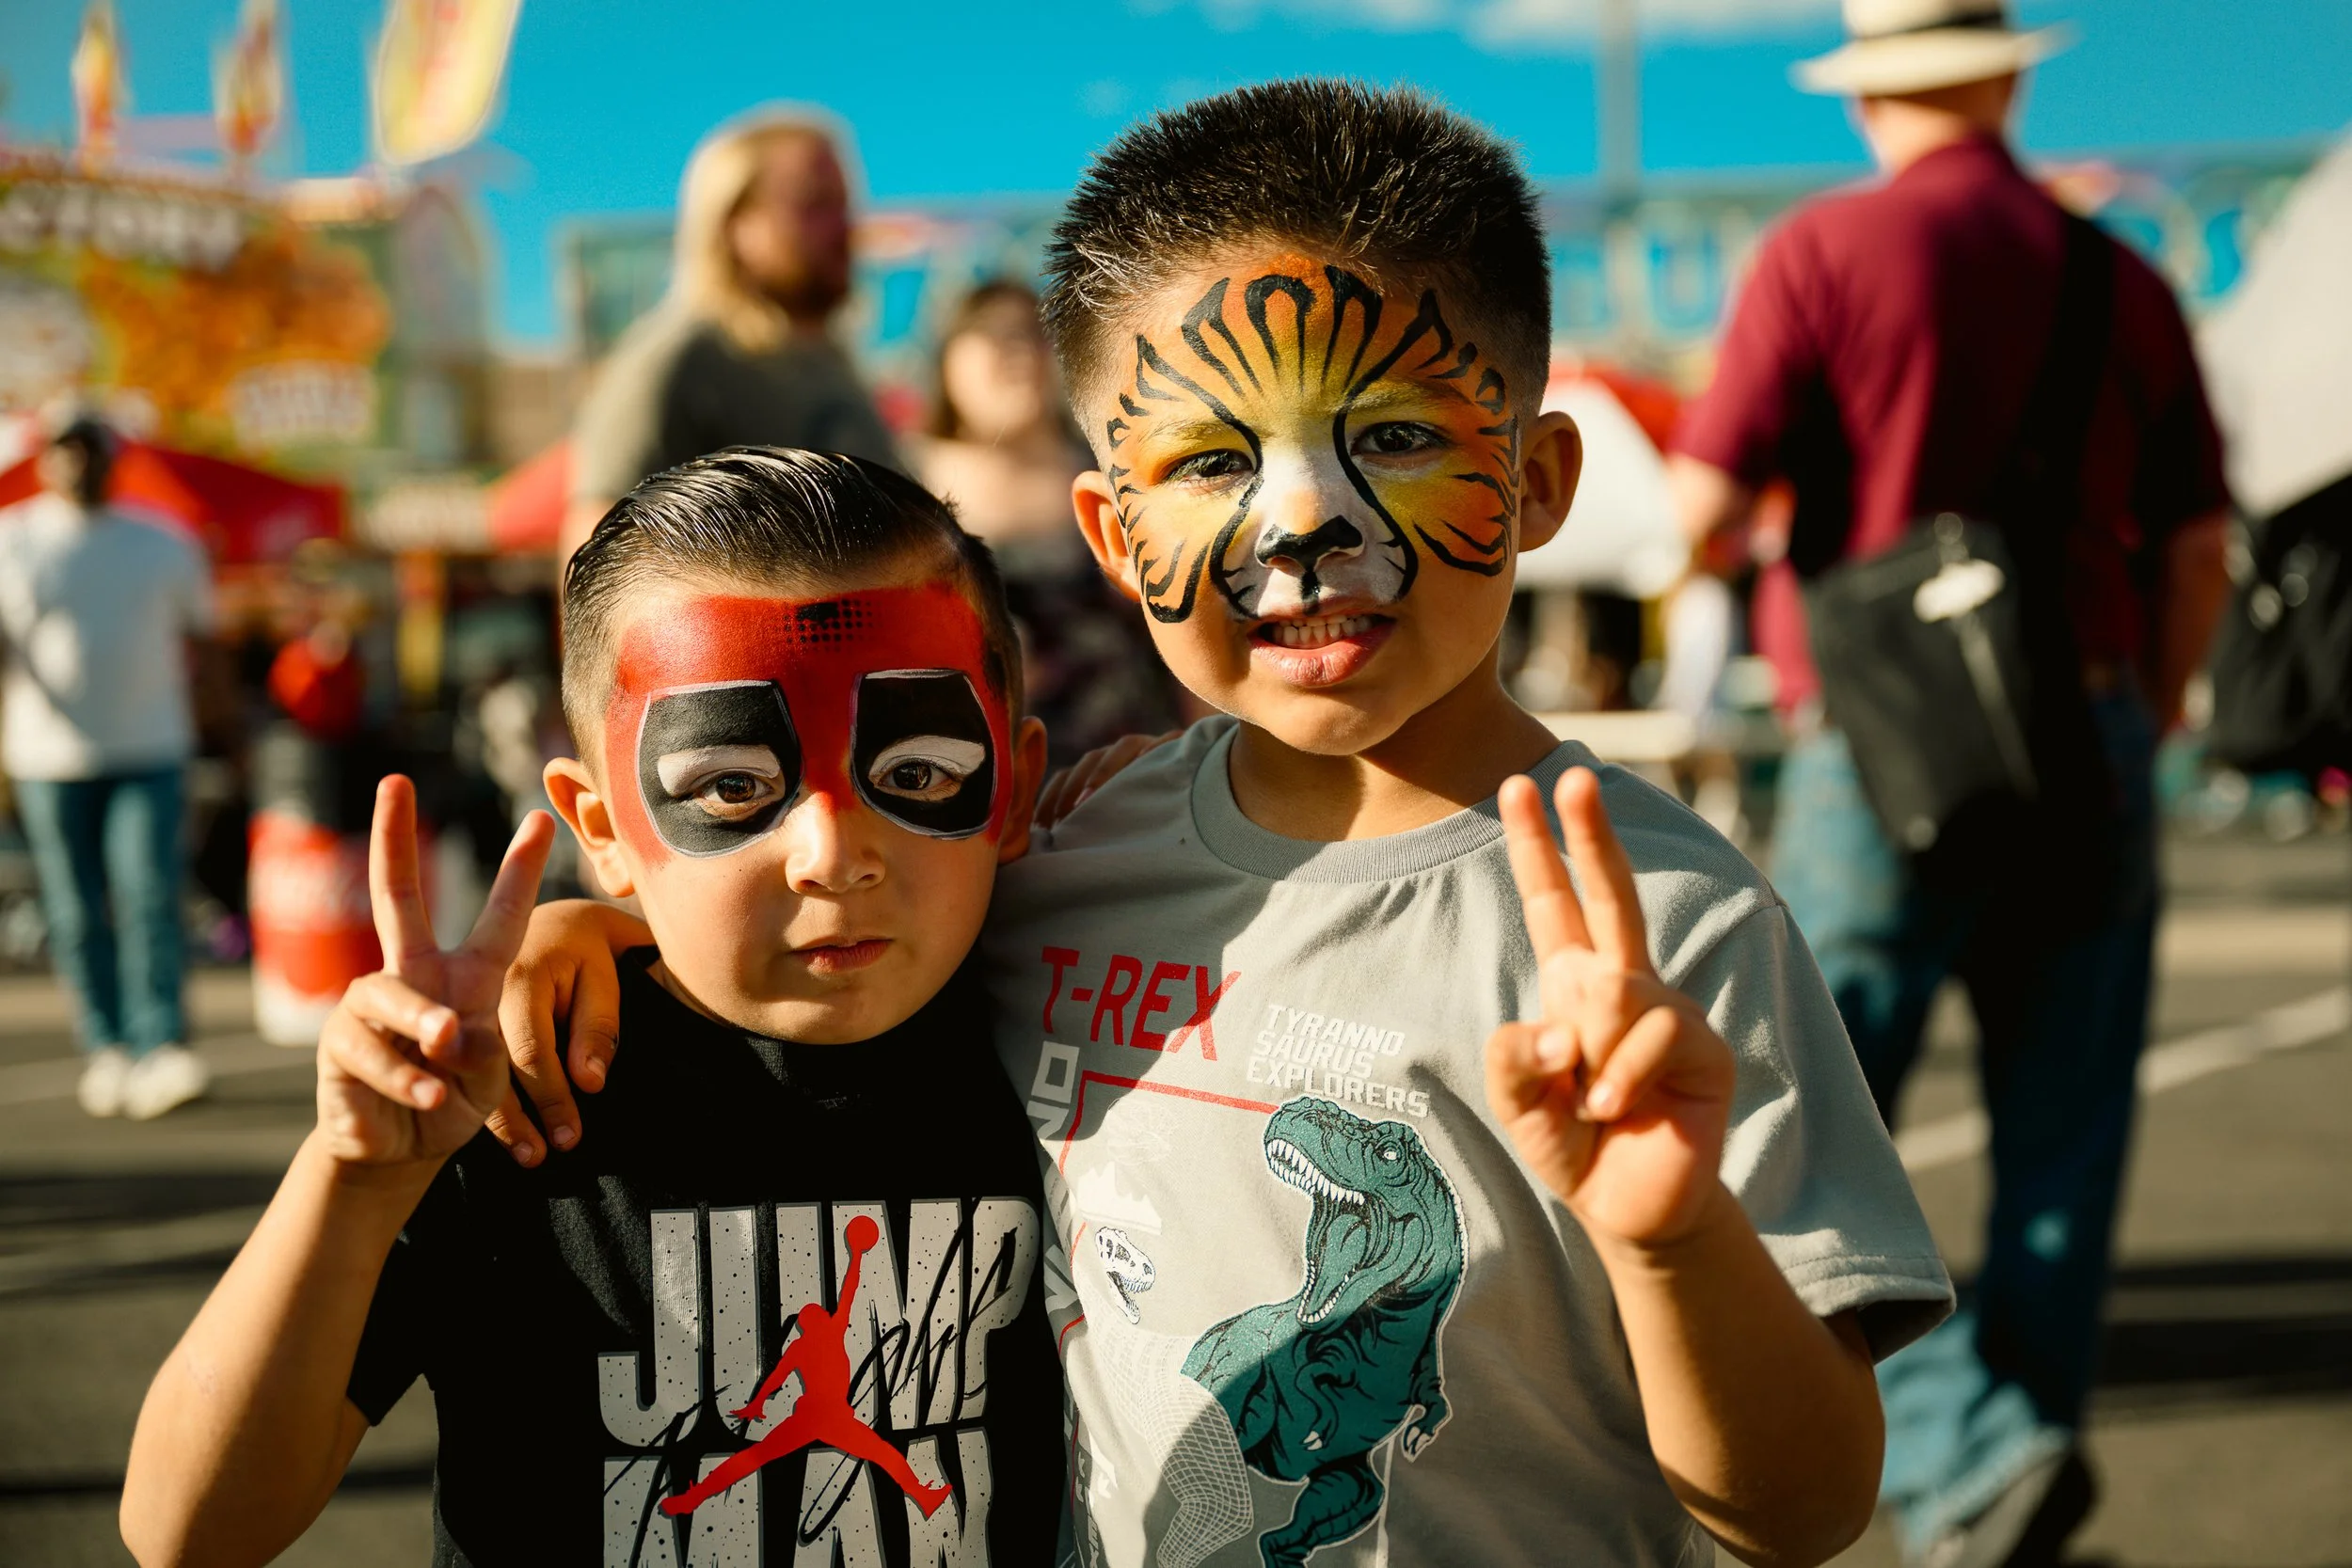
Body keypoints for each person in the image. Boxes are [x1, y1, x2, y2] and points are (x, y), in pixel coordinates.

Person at [501, 82, 1953, 1568]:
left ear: (1536, 481)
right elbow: (826, 919)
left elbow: (1808, 1504)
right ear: (1113, 539)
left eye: (1389, 432)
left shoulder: (1665, 934)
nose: (1301, 520)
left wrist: (1673, 1237)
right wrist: (601, 925)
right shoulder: (1064, 854)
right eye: (1207, 461)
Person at [119, 451, 1064, 1567]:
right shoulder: (516, 1090)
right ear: (600, 824)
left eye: (914, 773)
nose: (831, 853)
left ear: (1011, 782)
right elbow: (187, 1531)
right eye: (730, 786)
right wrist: (354, 1182)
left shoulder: (1076, 1038)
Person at [1665, 5, 2234, 1563]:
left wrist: (1774, 562)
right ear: (2001, 81)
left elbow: (1704, 502)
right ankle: (2018, 1446)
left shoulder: (1823, 253)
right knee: (2066, 1129)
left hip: (1879, 738)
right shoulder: (2122, 278)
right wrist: (2150, 709)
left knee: (1800, 1118)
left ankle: (1955, 1448)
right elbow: (2195, 547)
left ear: (1869, 100)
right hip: (2093, 728)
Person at [562, 109, 900, 564]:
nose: (845, 228)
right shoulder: (680, 359)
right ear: (734, 221)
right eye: (815, 204)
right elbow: (595, 561)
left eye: (844, 204)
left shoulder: (836, 363)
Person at [0, 415, 214, 1120]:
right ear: (46, 457)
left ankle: (161, 1044)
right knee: (72, 908)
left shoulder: (162, 541)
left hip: (151, 747)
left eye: (91, 447)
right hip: (46, 756)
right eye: (66, 447)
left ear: (112, 458)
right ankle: (108, 1046)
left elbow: (204, 640)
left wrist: (225, 735)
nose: (78, 460)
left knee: (149, 894)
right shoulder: (12, 539)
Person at [911, 278, 1184, 767]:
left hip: (1144, 758)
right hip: (999, 778)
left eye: (1033, 333)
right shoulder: (906, 491)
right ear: (946, 358)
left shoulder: (1115, 468)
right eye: (993, 333)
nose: (1018, 351)